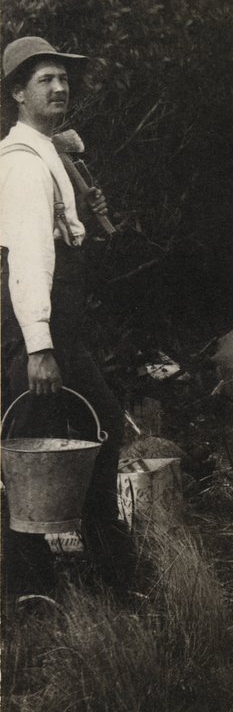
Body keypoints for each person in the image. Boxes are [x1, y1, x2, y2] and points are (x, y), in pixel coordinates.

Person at [1, 36, 132, 599]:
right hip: (34, 333)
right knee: (25, 459)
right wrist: (39, 346)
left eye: (63, 78)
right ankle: (33, 591)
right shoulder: (23, 166)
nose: (60, 87)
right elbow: (28, 255)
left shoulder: (46, 150)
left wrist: (66, 148)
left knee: (85, 435)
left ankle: (99, 578)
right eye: (44, 80)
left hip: (60, 331)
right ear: (16, 93)